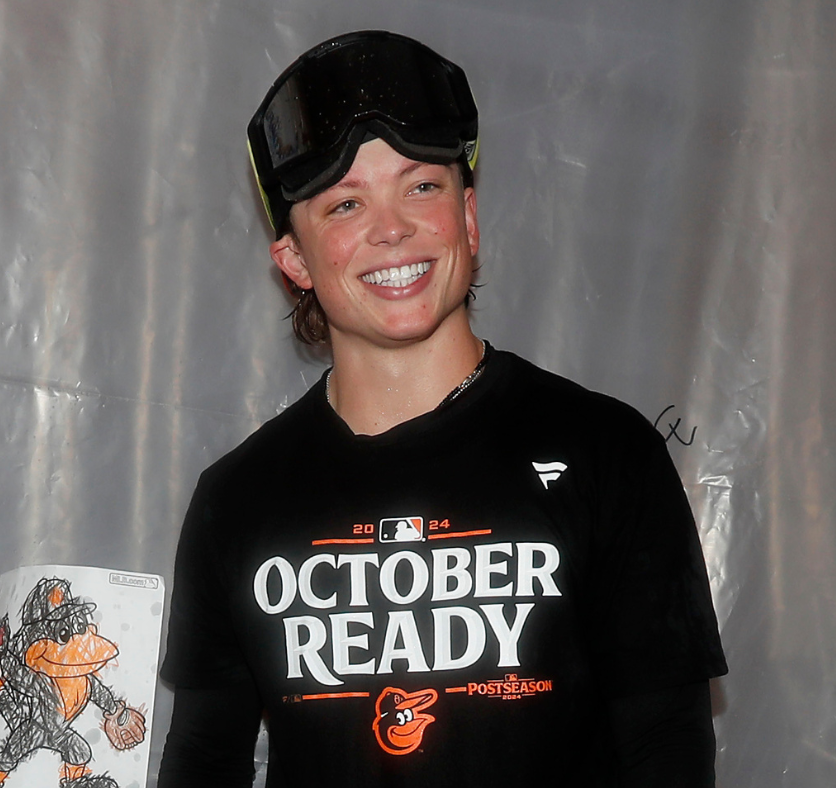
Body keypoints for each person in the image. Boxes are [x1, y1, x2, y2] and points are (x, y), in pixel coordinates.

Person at [158, 30, 727, 787]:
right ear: (294, 260)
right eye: (345, 203)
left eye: (421, 186)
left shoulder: (607, 454)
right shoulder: (236, 500)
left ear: (468, 215)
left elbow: (667, 747)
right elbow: (203, 756)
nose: (392, 228)